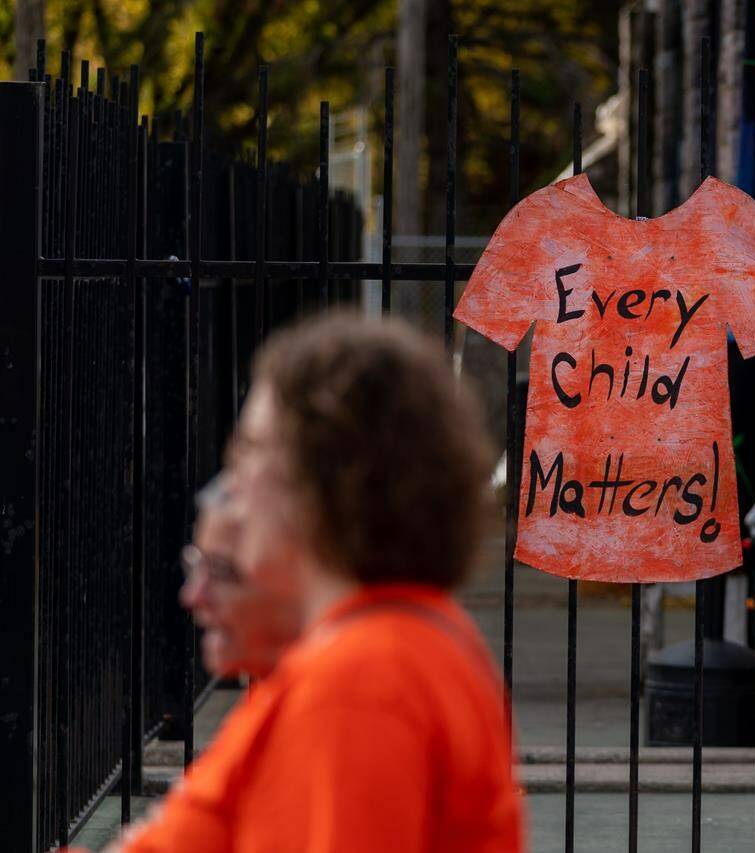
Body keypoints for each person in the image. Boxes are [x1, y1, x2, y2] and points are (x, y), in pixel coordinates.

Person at [117, 312, 525, 852]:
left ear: (318, 480)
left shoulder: (361, 681)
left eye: (249, 449)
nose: (231, 484)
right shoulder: (400, 648)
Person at [180, 473, 300, 678]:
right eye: (196, 565)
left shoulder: (329, 696)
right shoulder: (278, 687)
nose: (192, 597)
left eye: (221, 570)